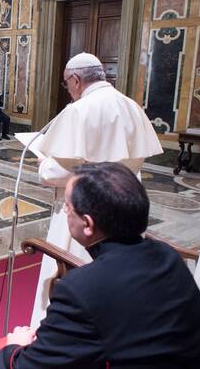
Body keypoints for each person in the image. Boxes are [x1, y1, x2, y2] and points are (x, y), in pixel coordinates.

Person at [0, 163, 200, 369]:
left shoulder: (80, 289)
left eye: (67, 207)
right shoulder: (167, 256)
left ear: (87, 224)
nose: (65, 212)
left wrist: (14, 346)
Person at [27, 52, 163, 326]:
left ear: (75, 80)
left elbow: (60, 172)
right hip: (127, 210)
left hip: (85, 212)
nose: (69, 92)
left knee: (70, 279)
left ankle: (54, 332)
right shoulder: (131, 106)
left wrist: (43, 163)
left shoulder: (78, 111)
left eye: (67, 85)